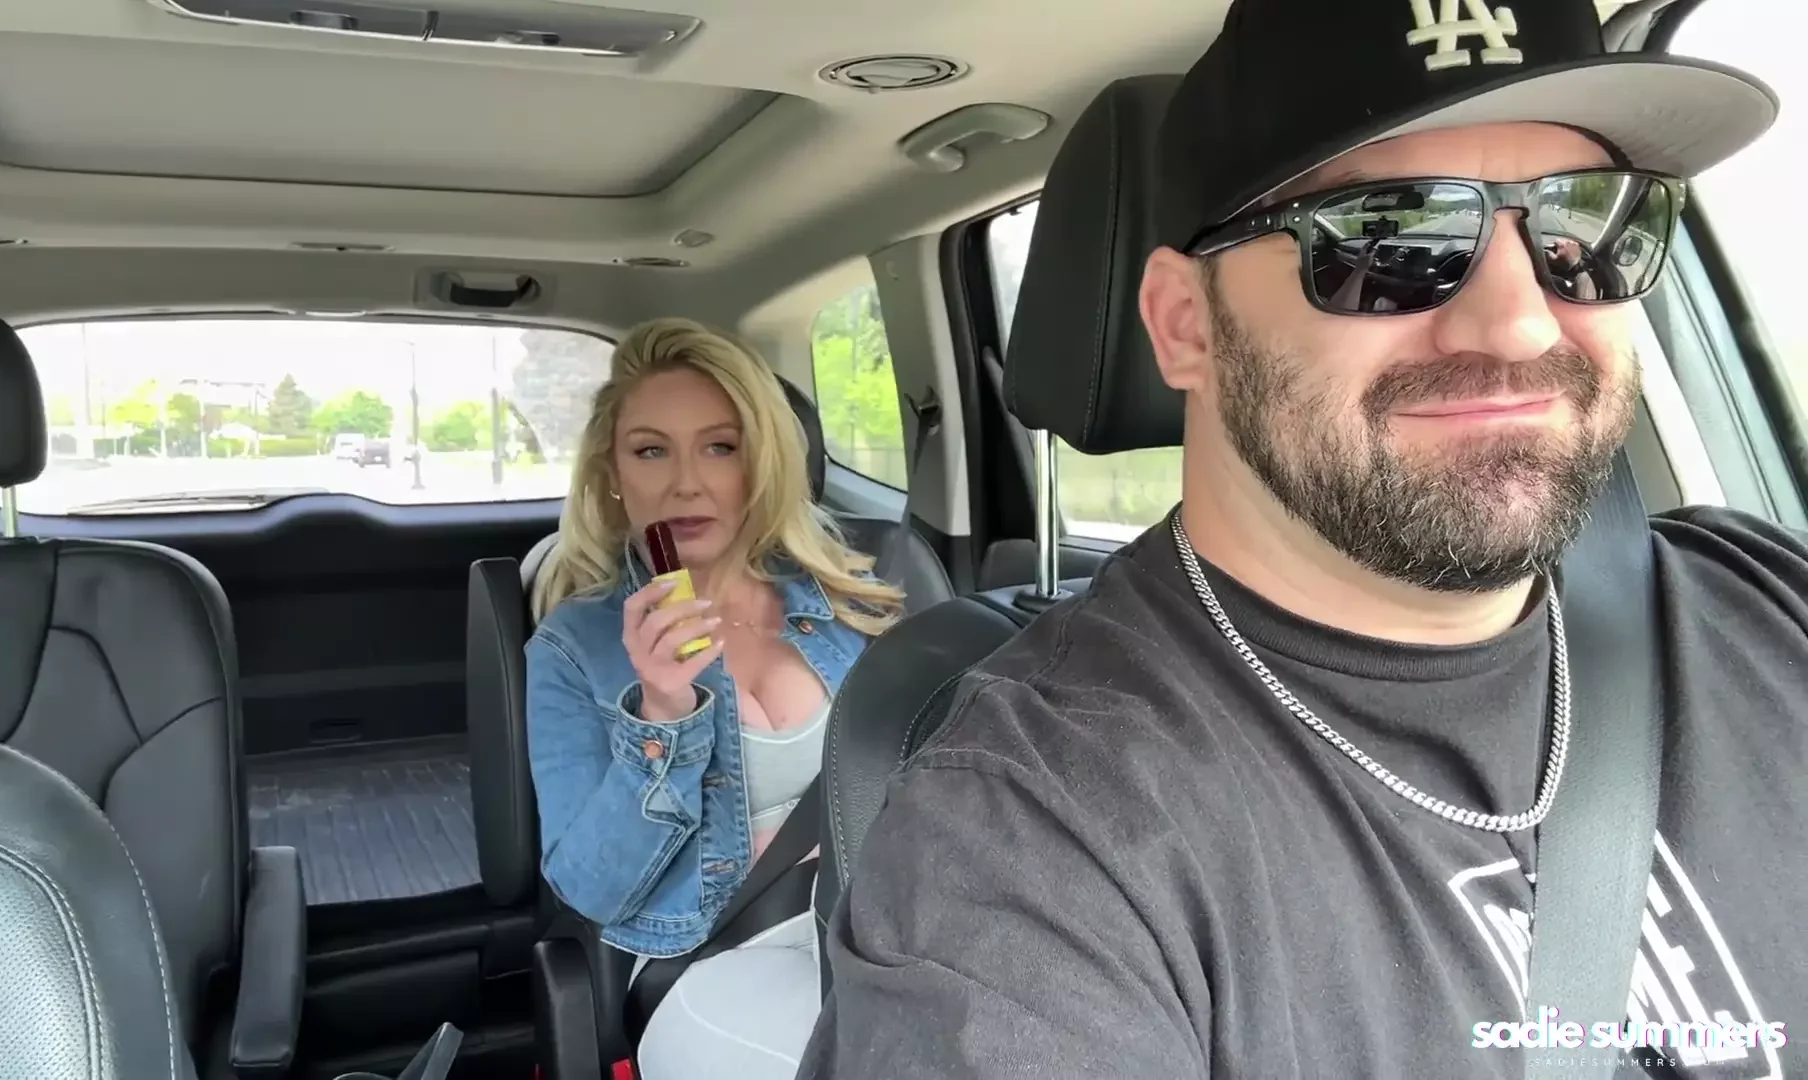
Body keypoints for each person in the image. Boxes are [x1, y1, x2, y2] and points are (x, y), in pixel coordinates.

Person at [799, 2, 1806, 1078]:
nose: (1520, 325)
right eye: (1394, 237)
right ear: (1185, 324)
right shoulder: (1026, 844)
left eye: (1586, 227)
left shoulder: (1771, 598)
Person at [526, 317, 903, 1078]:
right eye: (651, 450)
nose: (686, 483)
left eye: (720, 447)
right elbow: (590, 890)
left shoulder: (847, 601)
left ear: (760, 462)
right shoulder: (574, 646)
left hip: (875, 924)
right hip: (704, 956)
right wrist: (662, 717)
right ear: (612, 472)